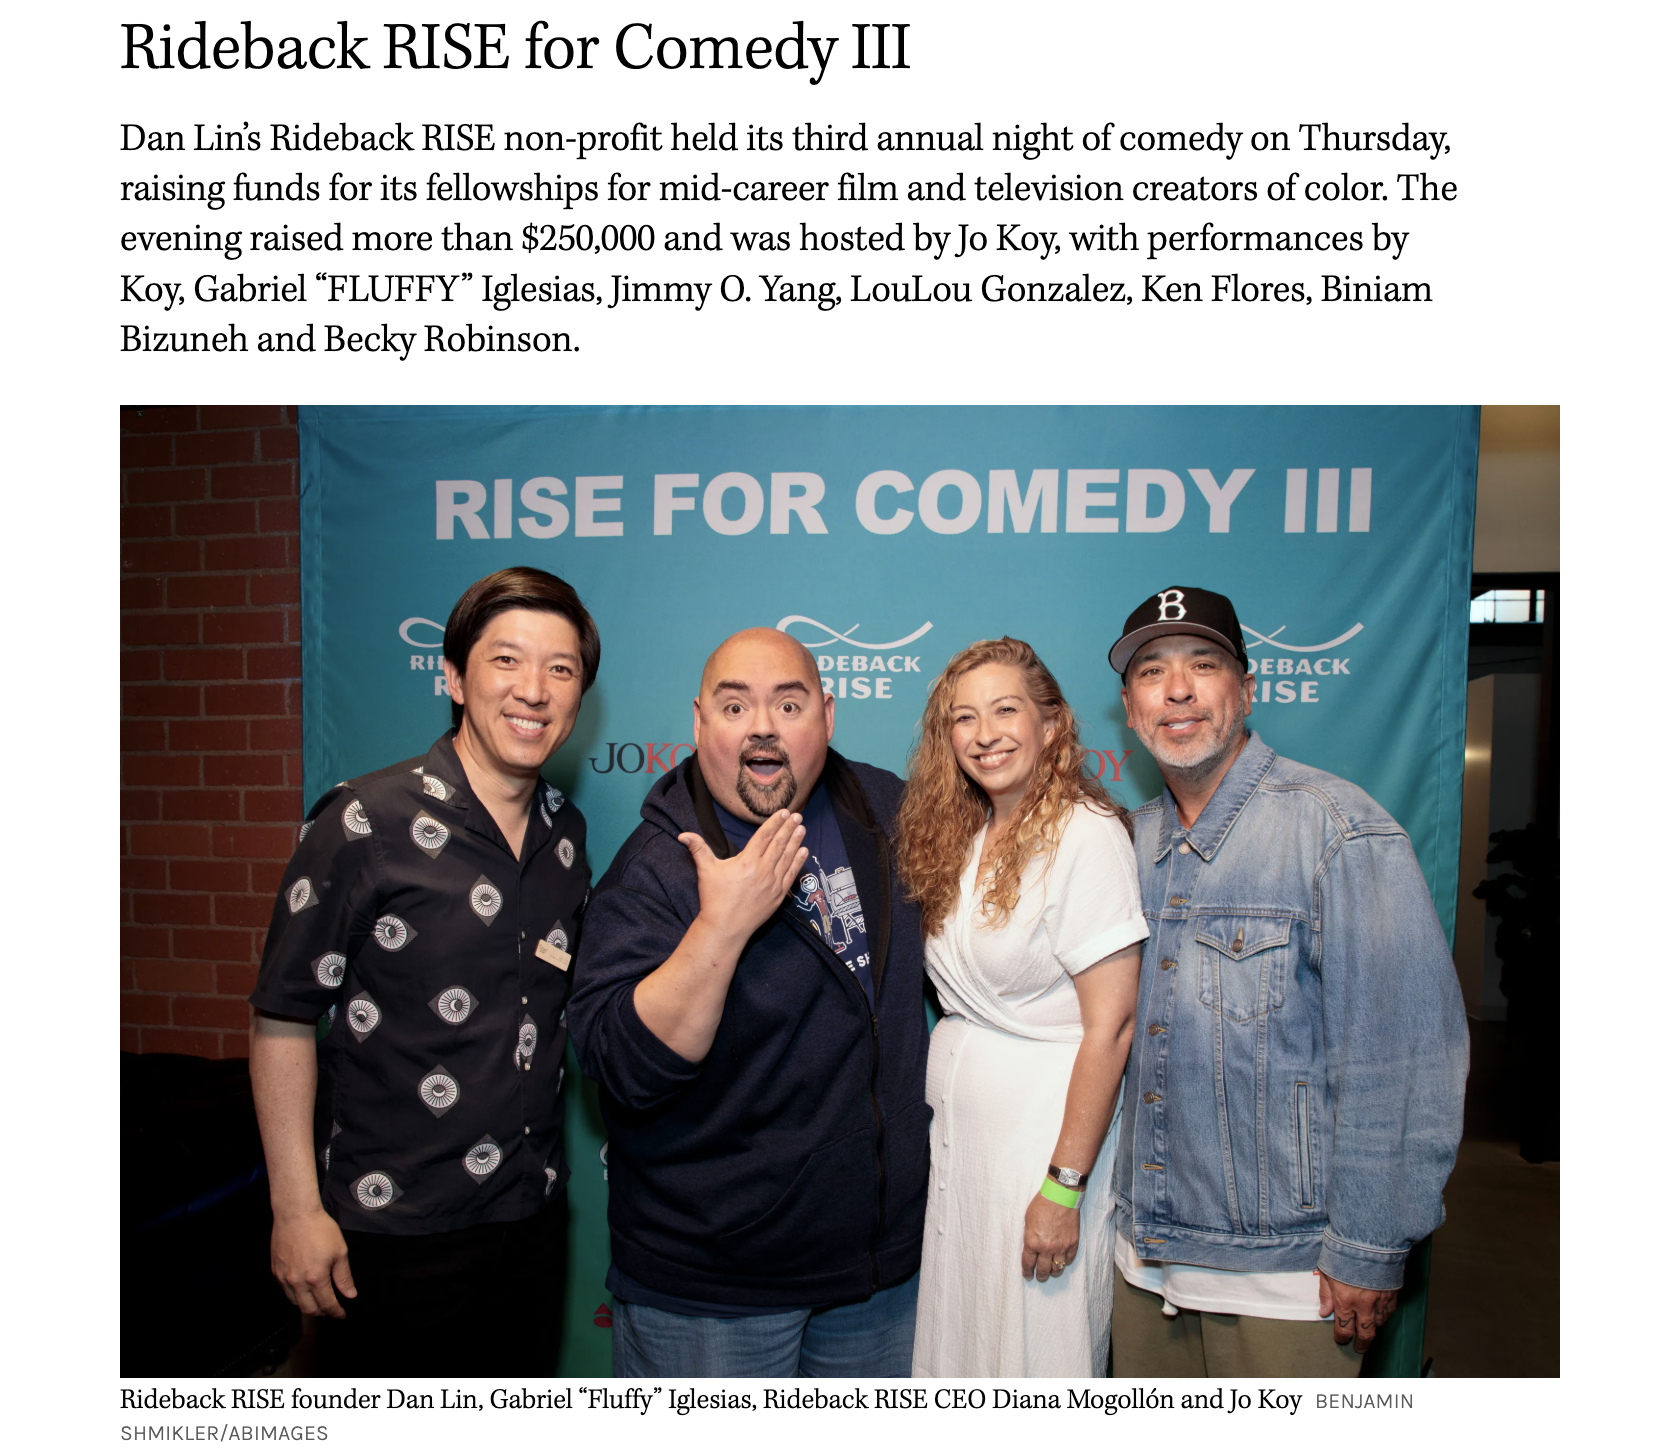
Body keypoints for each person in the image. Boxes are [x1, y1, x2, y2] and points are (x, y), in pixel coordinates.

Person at [1107, 586, 1468, 1377]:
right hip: (1143, 1262)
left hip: (1290, 1280)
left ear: (1247, 688)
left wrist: (1371, 1246)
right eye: (1151, 673)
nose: (1177, 691)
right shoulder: (1124, 845)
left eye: (1203, 665)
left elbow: (1404, 1064)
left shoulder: (1338, 829)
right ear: (1129, 708)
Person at [247, 567, 599, 1376]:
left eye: (561, 668)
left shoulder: (567, 834)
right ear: (453, 676)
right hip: (389, 1234)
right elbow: (282, 1015)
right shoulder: (364, 822)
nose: (534, 690)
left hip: (531, 1220)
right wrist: (295, 1208)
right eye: (506, 660)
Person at [567, 627, 930, 1377]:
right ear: (700, 725)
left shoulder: (887, 811)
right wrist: (719, 929)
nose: (762, 725)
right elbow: (619, 1065)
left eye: (788, 703)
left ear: (827, 717)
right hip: (715, 1292)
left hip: (877, 1278)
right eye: (735, 707)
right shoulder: (660, 865)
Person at [898, 638, 1146, 1377]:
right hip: (966, 1152)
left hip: (1044, 1152)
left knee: (1036, 1355)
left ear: (1051, 723)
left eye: (1006, 710)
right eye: (963, 718)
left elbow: (1114, 1024)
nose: (984, 734)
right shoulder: (963, 833)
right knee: (968, 1345)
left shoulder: (1085, 834)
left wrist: (1061, 1189)